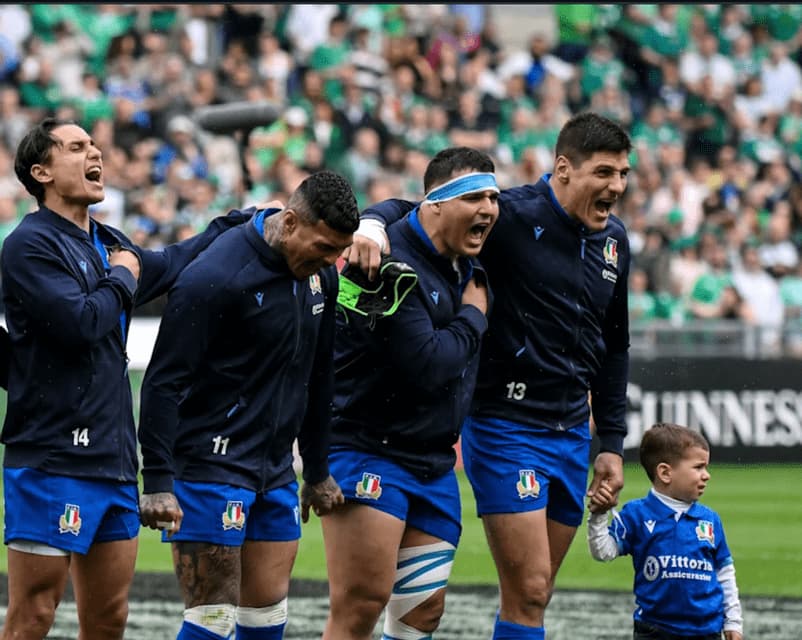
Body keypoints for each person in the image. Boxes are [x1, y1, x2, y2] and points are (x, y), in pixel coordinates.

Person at [348, 111, 632, 639]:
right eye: (604, 172)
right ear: (564, 168)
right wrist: (370, 221)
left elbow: (615, 346)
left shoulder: (615, 240)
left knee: (535, 596)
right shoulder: (509, 215)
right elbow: (422, 209)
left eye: (622, 174)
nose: (617, 186)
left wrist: (612, 441)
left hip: (572, 430)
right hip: (506, 424)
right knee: (529, 587)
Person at [0, 118, 252, 640]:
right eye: (76, 147)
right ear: (41, 172)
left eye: (94, 145)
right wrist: (123, 274)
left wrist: (234, 225)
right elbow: (82, 323)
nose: (95, 153)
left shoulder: (108, 241)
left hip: (114, 462)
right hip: (51, 458)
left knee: (109, 619)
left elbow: (170, 263)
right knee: (33, 616)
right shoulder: (29, 245)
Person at [137, 170, 359, 640]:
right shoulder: (214, 277)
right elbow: (163, 382)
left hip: (275, 471)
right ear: (290, 222)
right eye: (325, 247)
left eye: (339, 251)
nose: (331, 261)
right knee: (212, 621)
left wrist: (317, 470)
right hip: (209, 466)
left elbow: (320, 375)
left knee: (266, 621)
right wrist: (156, 480)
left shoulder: (321, 276)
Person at [322, 147, 500, 640]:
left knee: (421, 615)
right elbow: (430, 366)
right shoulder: (387, 262)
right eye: (475, 198)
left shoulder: (459, 247)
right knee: (360, 605)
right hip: (369, 450)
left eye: (493, 198)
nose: (488, 209)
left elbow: (402, 206)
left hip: (433, 463)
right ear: (436, 205)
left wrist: (375, 216)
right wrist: (475, 315)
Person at [587, 423, 744, 640]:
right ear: (665, 473)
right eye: (698, 467)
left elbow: (724, 573)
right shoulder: (636, 514)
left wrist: (733, 621)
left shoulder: (710, 519)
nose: (706, 475)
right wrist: (598, 515)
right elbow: (603, 552)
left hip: (707, 631)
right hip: (654, 631)